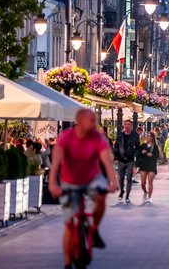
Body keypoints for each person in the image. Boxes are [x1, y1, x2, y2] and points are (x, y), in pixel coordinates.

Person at [48, 109, 119, 269]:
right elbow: (56, 162)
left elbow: (106, 161)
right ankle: (67, 261)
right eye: (92, 120)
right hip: (69, 180)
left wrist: (113, 182)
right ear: (80, 121)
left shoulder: (97, 138)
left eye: (95, 120)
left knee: (101, 197)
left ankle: (93, 230)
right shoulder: (66, 137)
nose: (95, 123)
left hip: (92, 178)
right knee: (68, 223)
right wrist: (53, 184)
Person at [113, 119, 140, 203]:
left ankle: (127, 195)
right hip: (121, 159)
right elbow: (116, 147)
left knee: (129, 178)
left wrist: (134, 154)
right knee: (120, 178)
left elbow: (138, 147)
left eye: (129, 124)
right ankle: (122, 191)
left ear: (131, 126)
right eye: (126, 124)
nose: (127, 126)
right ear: (124, 126)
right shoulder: (120, 135)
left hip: (130, 160)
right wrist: (116, 158)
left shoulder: (135, 135)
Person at [136, 131, 159, 204]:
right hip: (143, 165)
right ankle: (145, 192)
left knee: (150, 182)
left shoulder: (155, 147)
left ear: (152, 138)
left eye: (148, 136)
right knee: (142, 183)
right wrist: (142, 153)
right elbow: (138, 154)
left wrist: (151, 155)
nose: (147, 137)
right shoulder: (143, 145)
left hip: (151, 165)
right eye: (147, 135)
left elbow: (156, 156)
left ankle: (149, 197)